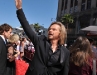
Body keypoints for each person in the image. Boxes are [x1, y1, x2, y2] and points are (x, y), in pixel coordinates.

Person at [15, 0, 70, 75]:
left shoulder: (65, 52)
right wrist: (19, 9)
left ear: (60, 33)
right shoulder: (40, 41)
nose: (50, 30)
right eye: (49, 29)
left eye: (54, 29)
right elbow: (27, 28)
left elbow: (65, 72)